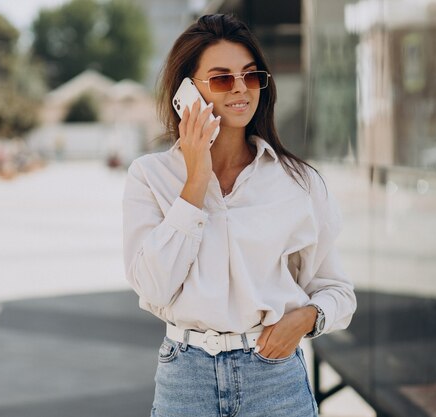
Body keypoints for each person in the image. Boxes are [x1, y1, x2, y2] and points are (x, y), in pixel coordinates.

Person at [122, 14, 356, 417]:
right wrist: (196, 180)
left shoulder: (298, 182)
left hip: (274, 375)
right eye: (221, 79)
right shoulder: (149, 176)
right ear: (186, 91)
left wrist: (303, 319)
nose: (240, 89)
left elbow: (338, 292)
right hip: (185, 379)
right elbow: (153, 287)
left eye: (250, 76)